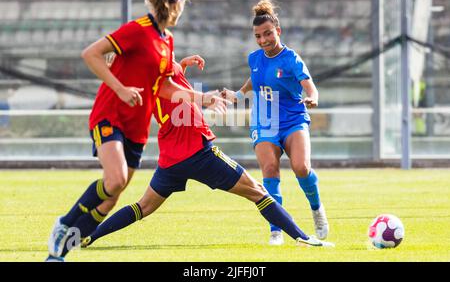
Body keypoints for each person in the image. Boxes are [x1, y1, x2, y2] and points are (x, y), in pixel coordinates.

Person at [46, 0, 228, 262]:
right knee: (115, 179)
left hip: (138, 125)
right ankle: (65, 223)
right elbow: (91, 54)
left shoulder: (167, 41)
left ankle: (58, 256)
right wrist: (120, 88)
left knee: (111, 197)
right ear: (175, 4)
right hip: (111, 113)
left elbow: (166, 87)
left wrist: (203, 98)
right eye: (183, 3)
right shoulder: (138, 30)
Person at [77, 59, 334, 257]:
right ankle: (303, 237)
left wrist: (183, 64)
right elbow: (176, 89)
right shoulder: (164, 76)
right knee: (258, 192)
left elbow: (170, 79)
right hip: (198, 152)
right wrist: (206, 97)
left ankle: (90, 235)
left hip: (171, 159)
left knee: (143, 206)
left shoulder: (154, 79)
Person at [221, 0, 329, 246]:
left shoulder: (291, 58)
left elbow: (309, 86)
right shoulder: (254, 58)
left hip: (292, 119)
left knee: (301, 167)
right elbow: (255, 79)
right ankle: (276, 230)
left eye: (267, 34)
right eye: (258, 36)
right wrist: (238, 95)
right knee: (269, 169)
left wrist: (312, 97)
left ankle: (316, 209)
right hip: (264, 122)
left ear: (278, 31)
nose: (263, 40)